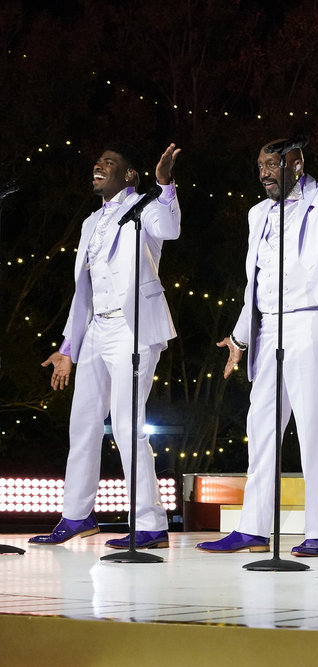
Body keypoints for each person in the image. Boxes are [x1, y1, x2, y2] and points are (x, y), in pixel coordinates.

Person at [197, 86, 318, 557]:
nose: (264, 173)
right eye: (259, 166)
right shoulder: (257, 214)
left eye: (272, 164)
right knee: (261, 426)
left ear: (296, 164)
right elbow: (255, 284)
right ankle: (253, 529)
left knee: (313, 426)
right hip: (269, 329)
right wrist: (240, 337)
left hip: (313, 323)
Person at [32, 142, 182, 549]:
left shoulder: (145, 206)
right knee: (82, 423)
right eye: (98, 161)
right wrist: (69, 347)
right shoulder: (89, 223)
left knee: (128, 425)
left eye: (109, 163)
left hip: (134, 328)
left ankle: (150, 523)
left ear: (129, 175)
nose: (99, 166)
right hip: (97, 329)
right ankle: (77, 516)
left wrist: (165, 184)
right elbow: (83, 291)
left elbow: (170, 229)